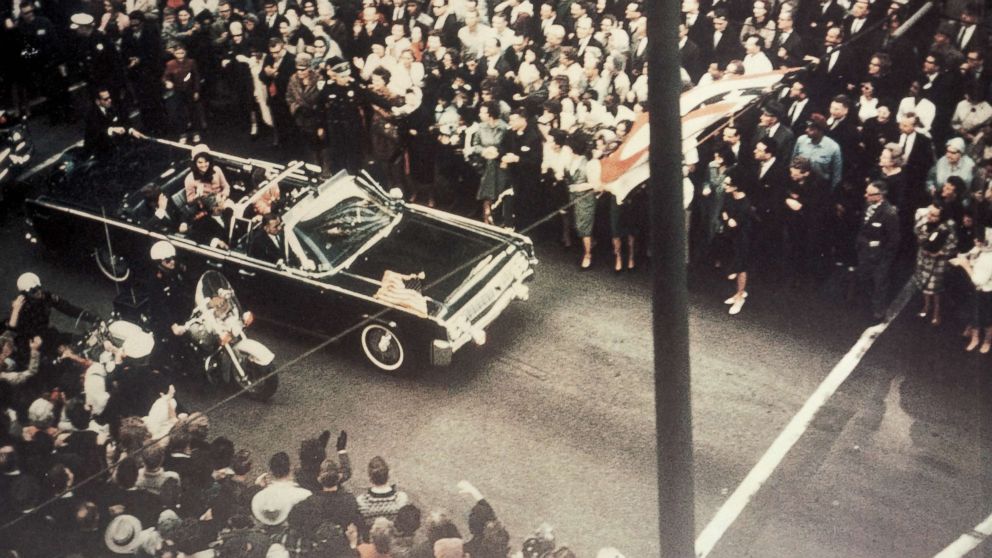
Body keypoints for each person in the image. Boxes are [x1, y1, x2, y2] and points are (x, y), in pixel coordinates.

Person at [5, 273, 87, 360]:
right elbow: (16, 330)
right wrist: (16, 310)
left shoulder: (46, 296)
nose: (38, 292)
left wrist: (89, 316)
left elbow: (67, 308)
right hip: (30, 344)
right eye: (34, 291)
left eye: (39, 288)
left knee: (78, 339)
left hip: (47, 334)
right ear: (25, 294)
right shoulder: (20, 308)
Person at [853, 180, 900, 321]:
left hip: (880, 256)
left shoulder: (889, 214)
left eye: (869, 194)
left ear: (880, 196)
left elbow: (893, 240)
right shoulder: (868, 205)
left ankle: (879, 310)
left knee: (880, 283)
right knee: (864, 277)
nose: (865, 195)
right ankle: (866, 303)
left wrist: (883, 256)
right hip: (865, 252)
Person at [913, 204, 957, 326]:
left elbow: (953, 245)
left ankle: (936, 312)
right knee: (923, 283)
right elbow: (917, 231)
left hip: (937, 262)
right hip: (923, 257)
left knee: (935, 288)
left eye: (934, 215)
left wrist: (939, 252)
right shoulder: (924, 219)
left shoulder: (949, 226)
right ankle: (927, 305)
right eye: (929, 213)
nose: (929, 216)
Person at [468, 100, 509, 225]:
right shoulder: (480, 127)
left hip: (500, 164)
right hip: (484, 164)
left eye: (483, 112)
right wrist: (484, 151)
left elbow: (507, 146)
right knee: (487, 187)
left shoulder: (503, 128)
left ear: (490, 114)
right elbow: (475, 145)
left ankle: (497, 215)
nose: (480, 115)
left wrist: (497, 152)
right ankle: (486, 214)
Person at [952, 227, 992, 353]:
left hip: (986, 292)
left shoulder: (989, 258)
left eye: (979, 240)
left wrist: (965, 265)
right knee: (974, 312)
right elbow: (968, 254)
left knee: (987, 318)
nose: (975, 241)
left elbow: (978, 280)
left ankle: (987, 340)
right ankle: (974, 337)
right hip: (976, 289)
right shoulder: (980, 249)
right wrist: (962, 257)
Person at [720, 167, 753, 315]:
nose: (724, 186)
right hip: (730, 236)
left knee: (741, 268)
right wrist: (728, 219)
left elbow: (739, 222)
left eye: (727, 184)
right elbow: (724, 211)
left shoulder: (745, 204)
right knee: (733, 265)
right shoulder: (728, 196)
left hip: (743, 238)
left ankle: (740, 296)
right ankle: (737, 293)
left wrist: (733, 221)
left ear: (736, 186)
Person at [83, 88, 145, 157]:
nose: (110, 100)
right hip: (99, 148)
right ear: (98, 102)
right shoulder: (91, 114)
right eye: (106, 99)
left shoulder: (113, 107)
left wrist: (131, 130)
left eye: (109, 97)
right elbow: (97, 131)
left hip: (114, 144)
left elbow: (124, 121)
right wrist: (112, 129)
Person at [184, 144, 232, 212]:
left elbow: (226, 187)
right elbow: (190, 201)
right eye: (200, 162)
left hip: (223, 201)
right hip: (207, 209)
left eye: (206, 162)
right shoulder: (189, 179)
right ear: (194, 163)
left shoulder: (217, 170)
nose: (203, 165)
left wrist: (223, 199)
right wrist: (197, 197)